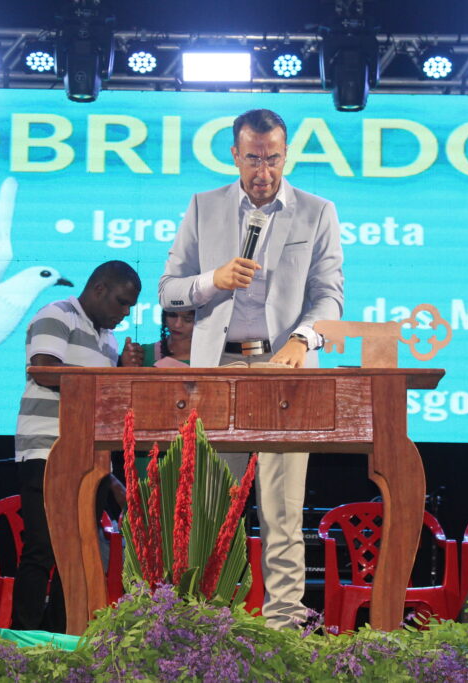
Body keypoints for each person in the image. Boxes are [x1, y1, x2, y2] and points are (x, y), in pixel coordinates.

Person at [159, 108, 344, 629]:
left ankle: (285, 623)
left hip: (284, 367)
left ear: (286, 154)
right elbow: (169, 290)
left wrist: (304, 339)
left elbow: (329, 295)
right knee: (211, 507)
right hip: (218, 367)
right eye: (253, 158)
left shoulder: (317, 211)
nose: (264, 170)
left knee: (282, 507)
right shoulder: (204, 206)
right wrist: (212, 280)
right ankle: (205, 622)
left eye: (274, 158)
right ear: (234, 155)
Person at [12, 260, 142, 632]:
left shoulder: (108, 338)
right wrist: (110, 376)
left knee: (79, 552)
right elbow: (45, 368)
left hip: (88, 458)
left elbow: (99, 402)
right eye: (121, 302)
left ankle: (62, 639)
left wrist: (121, 374)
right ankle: (23, 642)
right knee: (43, 548)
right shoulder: (57, 314)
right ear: (99, 289)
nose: (125, 313)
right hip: (47, 450)